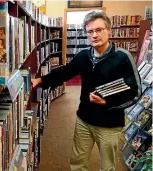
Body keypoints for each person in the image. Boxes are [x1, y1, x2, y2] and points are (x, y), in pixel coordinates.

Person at [32, 10, 141, 171]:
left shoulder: (123, 57)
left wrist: (107, 102)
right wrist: (41, 80)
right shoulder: (84, 55)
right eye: (90, 31)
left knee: (107, 167)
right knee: (77, 164)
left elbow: (135, 91)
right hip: (84, 120)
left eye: (99, 30)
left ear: (108, 30)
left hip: (109, 124)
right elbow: (65, 72)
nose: (94, 35)